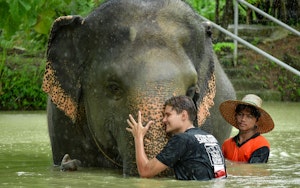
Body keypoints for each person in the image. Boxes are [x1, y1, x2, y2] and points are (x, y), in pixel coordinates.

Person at [126, 95, 226, 180]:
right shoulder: (211, 138)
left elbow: (145, 172)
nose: (164, 120)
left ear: (183, 115)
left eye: (168, 115)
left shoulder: (182, 139)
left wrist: (138, 137)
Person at [219, 94, 275, 163]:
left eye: (249, 116)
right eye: (240, 114)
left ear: (256, 121)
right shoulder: (227, 144)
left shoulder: (261, 145)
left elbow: (254, 170)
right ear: (236, 116)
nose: (243, 119)